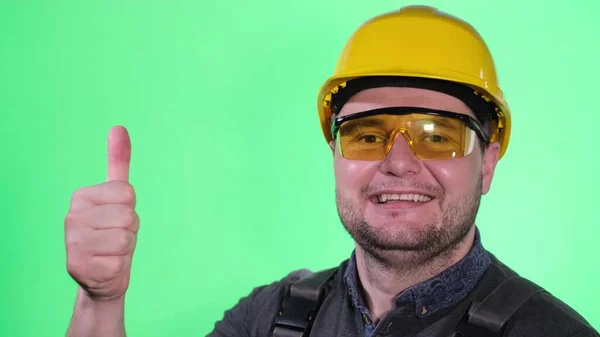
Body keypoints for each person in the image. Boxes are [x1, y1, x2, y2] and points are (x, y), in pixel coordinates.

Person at [63, 5, 598, 337]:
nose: (398, 161)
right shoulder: (271, 318)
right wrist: (99, 302)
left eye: (438, 136)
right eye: (367, 134)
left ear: (488, 164)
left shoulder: (551, 332)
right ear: (336, 156)